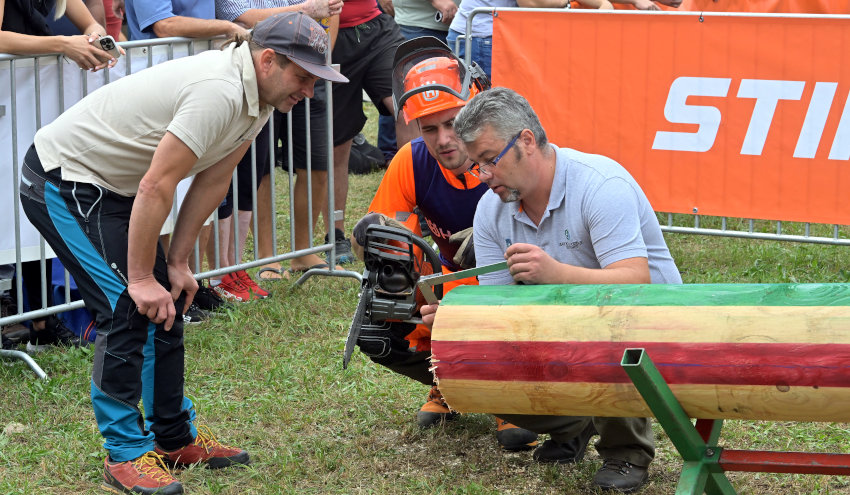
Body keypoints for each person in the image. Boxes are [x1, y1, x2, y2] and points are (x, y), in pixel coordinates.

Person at [18, 12, 347, 494]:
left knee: (168, 301)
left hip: (116, 188)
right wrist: (139, 277)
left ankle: (173, 437)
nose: (309, 91)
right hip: (63, 182)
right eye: (303, 78)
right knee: (127, 306)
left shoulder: (259, 94)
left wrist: (177, 264)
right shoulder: (219, 90)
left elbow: (214, 179)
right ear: (269, 59)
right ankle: (124, 454)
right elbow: (158, 183)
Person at [423, 87, 682, 493]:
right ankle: (574, 426)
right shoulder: (490, 209)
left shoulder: (600, 184)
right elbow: (501, 306)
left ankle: (625, 452)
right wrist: (460, 320)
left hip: (653, 328)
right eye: (476, 166)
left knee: (606, 331)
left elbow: (635, 283)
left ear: (527, 141)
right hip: (565, 324)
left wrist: (556, 272)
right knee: (479, 356)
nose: (484, 177)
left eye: (490, 161)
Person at [350, 37, 538, 451]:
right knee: (376, 324)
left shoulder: (512, 159)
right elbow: (377, 241)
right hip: (446, 292)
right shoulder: (412, 161)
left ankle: (508, 395)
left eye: (453, 122)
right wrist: (373, 240)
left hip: (512, 294)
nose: (443, 139)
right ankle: (448, 384)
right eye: (429, 128)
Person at [212, 0, 343, 288]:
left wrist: (317, 60)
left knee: (318, 164)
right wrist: (306, 10)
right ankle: (266, 255)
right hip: (267, 73)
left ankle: (303, 250)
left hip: (308, 70)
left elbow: (332, 9)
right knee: (262, 169)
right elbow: (245, 19)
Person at [329, 0, 420, 264]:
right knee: (339, 142)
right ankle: (335, 235)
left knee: (408, 108)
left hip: (376, 28)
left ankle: (414, 211)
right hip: (332, 36)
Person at [446, 0, 612, 79]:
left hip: (482, 35)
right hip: (481, 38)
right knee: (486, 112)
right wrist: (566, 2)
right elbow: (531, 2)